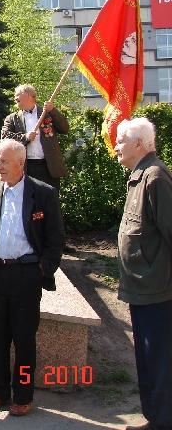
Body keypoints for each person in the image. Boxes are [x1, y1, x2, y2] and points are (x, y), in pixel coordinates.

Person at [0, 138, 64, 417]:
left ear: (21, 162)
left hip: (27, 275)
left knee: (23, 339)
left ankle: (23, 396)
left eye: (3, 161)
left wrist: (42, 270)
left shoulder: (42, 193)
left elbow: (55, 238)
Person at [114, 118, 172, 430]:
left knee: (159, 360)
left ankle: (163, 421)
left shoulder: (155, 177)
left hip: (157, 289)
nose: (116, 146)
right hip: (141, 287)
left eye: (121, 140)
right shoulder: (139, 176)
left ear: (139, 144)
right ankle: (155, 419)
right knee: (148, 360)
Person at [1, 84, 69, 191]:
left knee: (50, 202)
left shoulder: (47, 113)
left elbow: (65, 128)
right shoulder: (12, 118)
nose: (15, 97)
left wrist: (53, 110)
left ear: (29, 95)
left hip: (48, 167)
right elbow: (4, 137)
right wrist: (25, 137)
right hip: (26, 167)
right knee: (29, 202)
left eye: (18, 94)